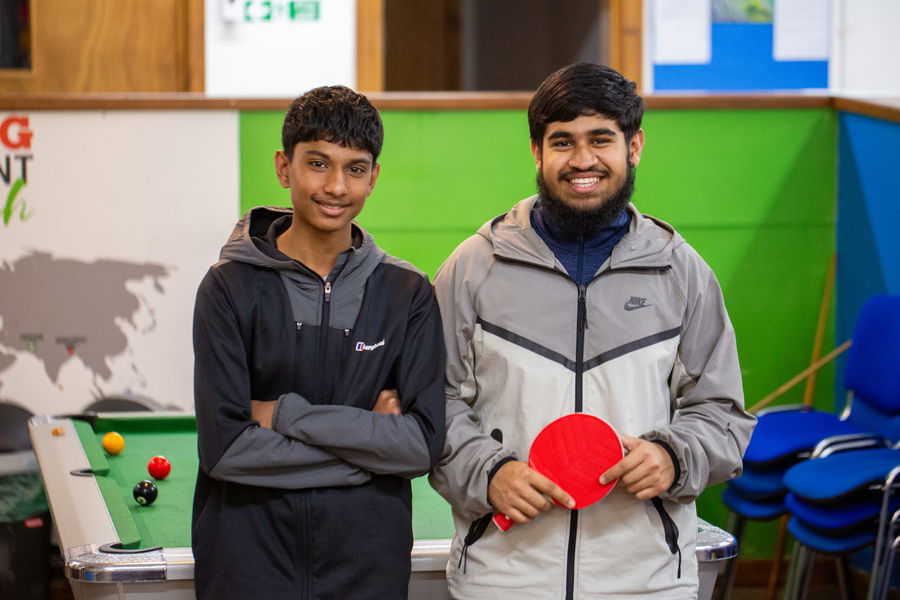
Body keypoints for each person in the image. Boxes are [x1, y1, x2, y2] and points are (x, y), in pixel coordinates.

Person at [429, 63, 756, 599]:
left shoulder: (681, 272)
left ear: (635, 145)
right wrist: (486, 472)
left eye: (601, 139)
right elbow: (433, 401)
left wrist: (674, 457)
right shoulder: (473, 267)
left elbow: (722, 413)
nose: (582, 160)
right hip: (503, 578)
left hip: (646, 580)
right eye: (563, 142)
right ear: (537, 152)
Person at [191, 85, 445, 600]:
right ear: (284, 169)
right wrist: (369, 447)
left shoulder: (408, 293)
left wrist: (285, 415)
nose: (335, 186)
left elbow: (420, 446)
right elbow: (227, 449)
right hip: (245, 561)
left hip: (367, 565)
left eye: (354, 168)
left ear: (373, 177)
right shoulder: (228, 286)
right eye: (318, 164)